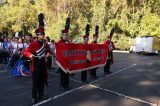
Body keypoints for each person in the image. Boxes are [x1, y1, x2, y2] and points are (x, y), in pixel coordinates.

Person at [23, 27, 50, 104]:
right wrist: (30, 55)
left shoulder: (45, 44)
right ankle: (34, 97)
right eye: (41, 34)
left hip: (42, 65)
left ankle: (41, 94)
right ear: (37, 35)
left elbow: (48, 51)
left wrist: (48, 53)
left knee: (41, 81)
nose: (42, 36)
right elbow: (26, 52)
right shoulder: (33, 44)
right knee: (35, 83)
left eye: (43, 34)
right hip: (35, 65)